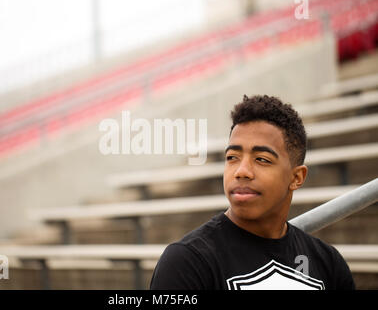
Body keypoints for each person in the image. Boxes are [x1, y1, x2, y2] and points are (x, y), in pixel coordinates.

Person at [150, 95, 355, 290]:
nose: (241, 171)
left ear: (296, 178)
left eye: (262, 159)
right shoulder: (187, 262)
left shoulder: (329, 264)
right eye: (232, 157)